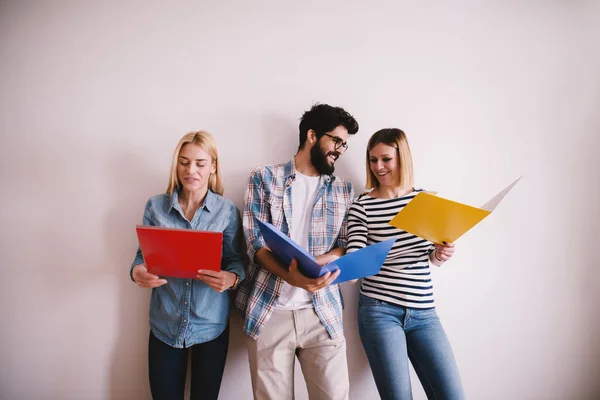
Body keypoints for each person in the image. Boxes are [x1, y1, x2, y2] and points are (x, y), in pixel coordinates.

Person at [235, 103, 359, 400]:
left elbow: (347, 242)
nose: (340, 150)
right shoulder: (263, 178)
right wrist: (292, 278)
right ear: (313, 135)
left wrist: (333, 256)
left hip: (323, 313)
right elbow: (254, 244)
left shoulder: (343, 189)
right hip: (270, 311)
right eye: (336, 141)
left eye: (344, 144)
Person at [347, 128, 465, 400]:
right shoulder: (362, 206)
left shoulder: (424, 202)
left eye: (386, 159)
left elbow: (431, 258)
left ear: (403, 158)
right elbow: (355, 255)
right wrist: (348, 269)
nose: (378, 167)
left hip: (424, 313)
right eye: (372, 159)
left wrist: (441, 253)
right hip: (380, 312)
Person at [130, 131, 245, 400]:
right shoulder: (156, 206)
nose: (190, 170)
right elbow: (141, 257)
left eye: (200, 163)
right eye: (183, 162)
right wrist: (137, 272)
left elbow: (236, 261)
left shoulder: (226, 211)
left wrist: (231, 278)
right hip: (164, 323)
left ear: (213, 166)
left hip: (210, 326)